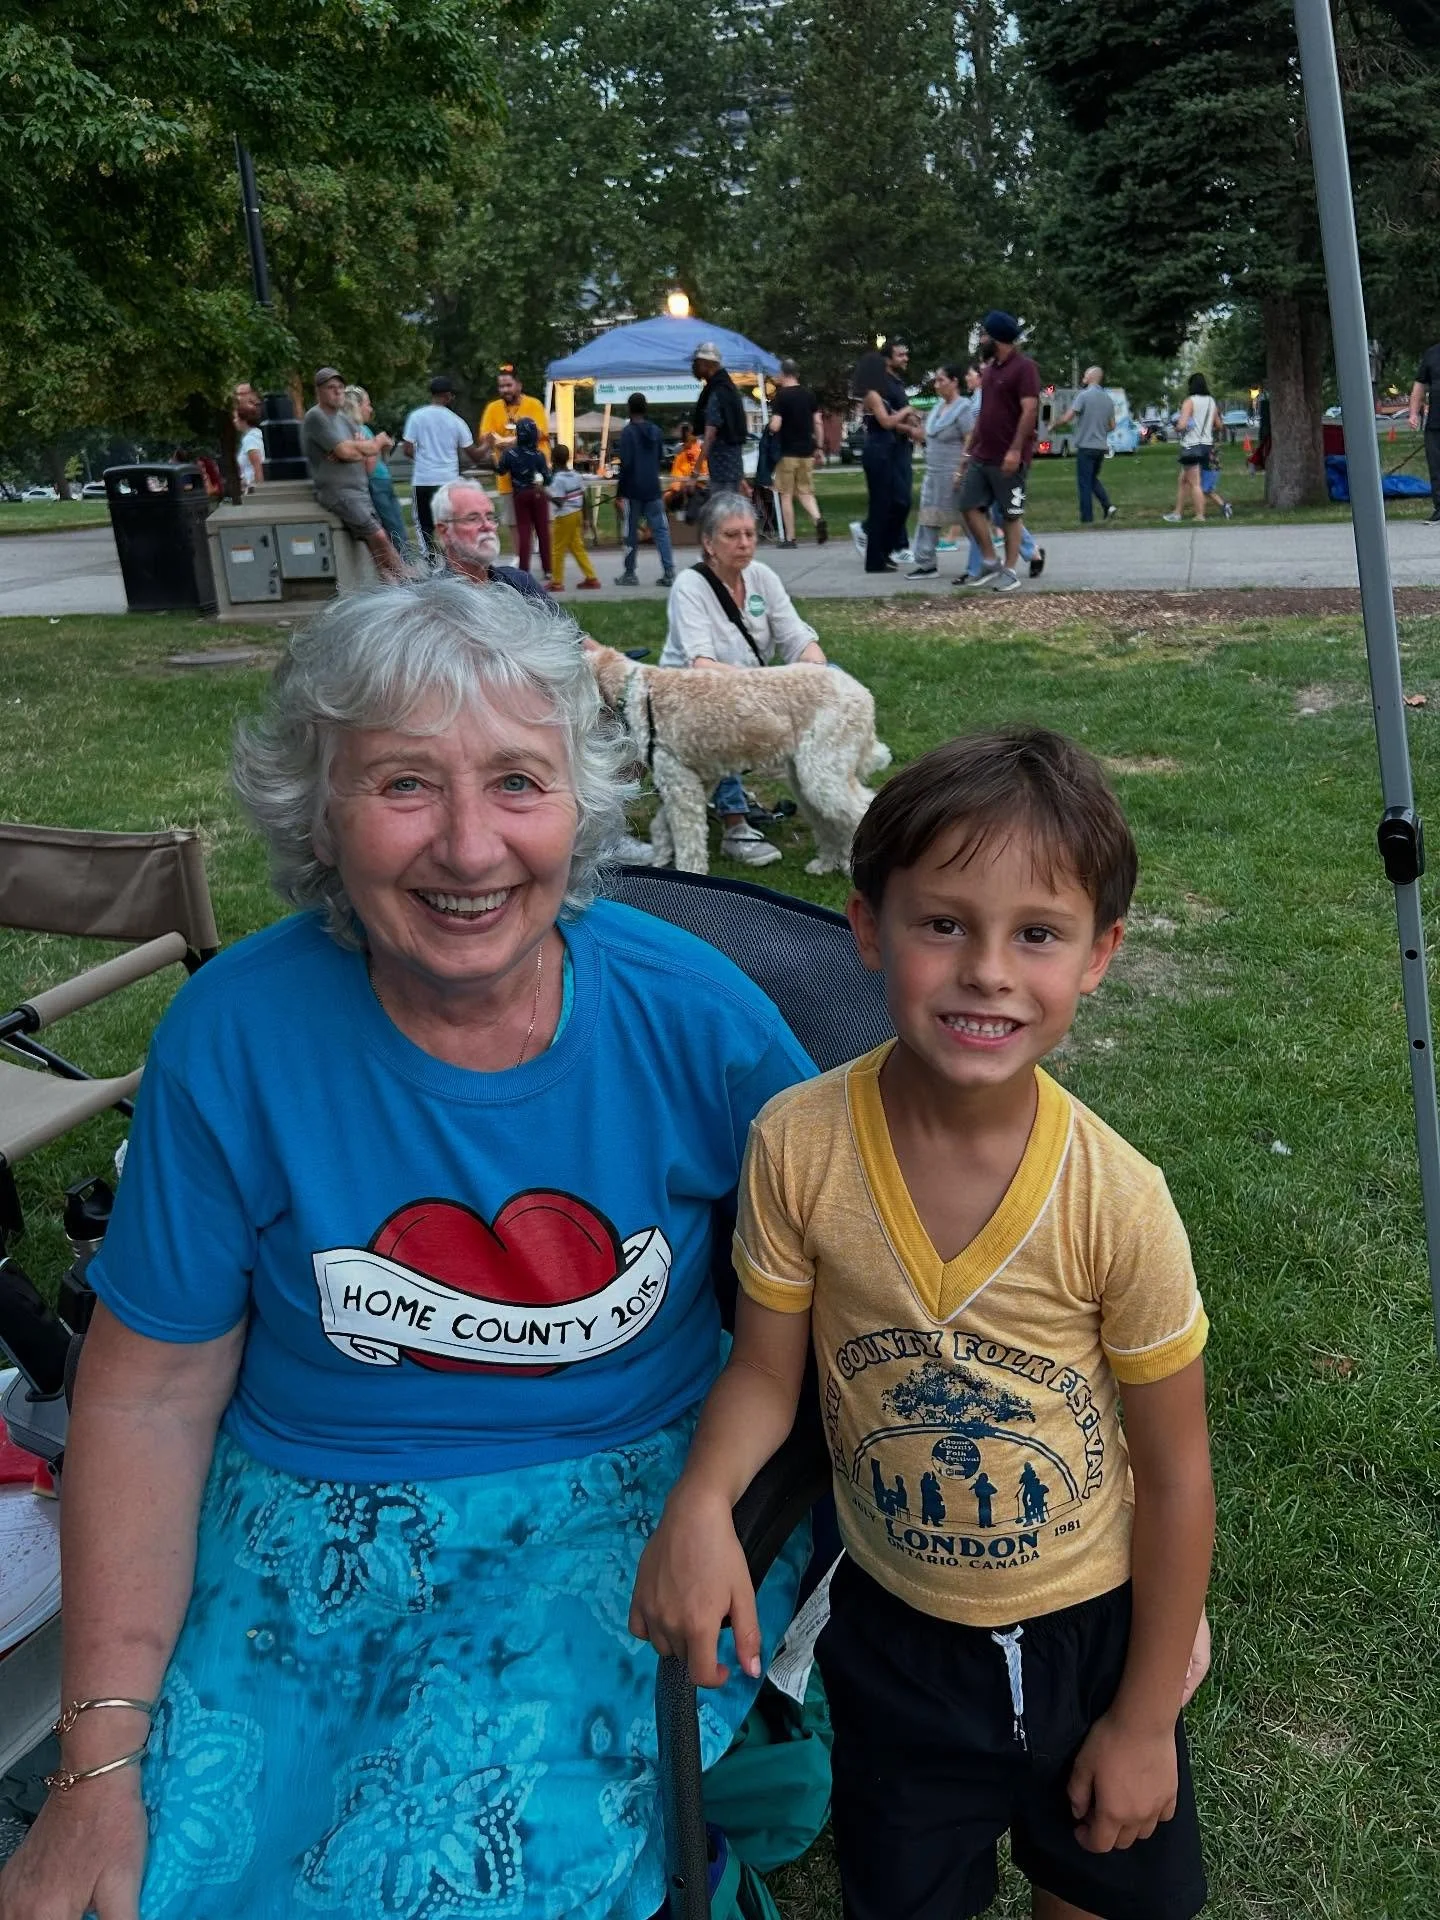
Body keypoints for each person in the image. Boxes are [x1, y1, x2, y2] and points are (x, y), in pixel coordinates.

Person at [0, 578, 815, 1920]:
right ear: (319, 813)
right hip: (303, 1504)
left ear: (580, 803)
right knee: (194, 1860)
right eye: (403, 785)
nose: (469, 847)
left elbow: (871, 1271)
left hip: (627, 1495)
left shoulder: (694, 1015)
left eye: (517, 782)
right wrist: (95, 1766)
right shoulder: (234, 1036)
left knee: (472, 1866)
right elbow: (147, 1399)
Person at [631, 725, 1215, 1920]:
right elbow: (765, 1376)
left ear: (1099, 955)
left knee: (1099, 1878)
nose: (986, 971)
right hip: (893, 1636)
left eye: (1037, 934)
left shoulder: (1118, 1201)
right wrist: (702, 1500)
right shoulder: (796, 1147)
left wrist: (1147, 1713)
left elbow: (1175, 1471)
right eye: (943, 923)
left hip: (1089, 1630)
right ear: (867, 929)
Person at [659, 490, 826, 868]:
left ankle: (829, 803)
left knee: (831, 685)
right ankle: (735, 824)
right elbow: (701, 665)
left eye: (750, 534)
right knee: (723, 716)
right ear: (709, 543)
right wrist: (771, 687)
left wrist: (819, 670)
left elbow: (796, 637)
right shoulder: (689, 586)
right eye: (732, 535)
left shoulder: (762, 577)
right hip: (688, 698)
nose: (745, 543)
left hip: (753, 689)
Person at [957, 311, 1040, 593]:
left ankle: (1010, 570)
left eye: (985, 336)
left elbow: (1029, 410)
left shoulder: (1024, 368)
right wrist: (969, 452)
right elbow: (984, 415)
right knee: (968, 505)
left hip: (1009, 456)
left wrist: (1015, 450)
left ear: (998, 339)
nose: (982, 340)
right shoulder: (991, 371)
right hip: (983, 454)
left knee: (1010, 515)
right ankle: (990, 561)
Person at [300, 366, 406, 581]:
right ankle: (407, 578)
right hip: (339, 493)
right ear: (319, 391)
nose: (338, 391)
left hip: (360, 490)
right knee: (378, 535)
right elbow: (348, 451)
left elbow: (358, 451)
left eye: (340, 387)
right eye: (331, 387)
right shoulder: (316, 417)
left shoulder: (344, 419)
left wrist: (355, 450)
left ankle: (392, 587)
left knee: (375, 544)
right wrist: (372, 444)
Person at [851, 336, 922, 574]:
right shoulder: (871, 394)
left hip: (888, 449)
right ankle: (875, 560)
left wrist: (910, 418)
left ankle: (885, 550)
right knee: (881, 505)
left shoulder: (882, 392)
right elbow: (887, 422)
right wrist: (907, 410)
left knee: (899, 502)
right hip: (877, 450)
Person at [427, 479, 551, 603]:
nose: (487, 526)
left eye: (489, 517)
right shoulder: (432, 601)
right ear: (444, 532)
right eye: (473, 519)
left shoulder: (522, 584)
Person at [400, 375, 480, 557]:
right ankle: (453, 558)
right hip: (448, 480)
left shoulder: (416, 417)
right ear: (448, 396)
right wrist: (488, 445)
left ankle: (430, 559)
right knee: (449, 522)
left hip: (423, 479)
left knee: (424, 524)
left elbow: (407, 449)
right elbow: (473, 454)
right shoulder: (456, 421)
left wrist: (424, 459)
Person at [909, 363, 972, 576]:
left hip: (954, 474)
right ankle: (926, 562)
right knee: (928, 516)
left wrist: (960, 469)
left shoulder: (963, 407)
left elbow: (970, 439)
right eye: (935, 381)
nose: (936, 385)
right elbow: (929, 435)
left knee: (970, 519)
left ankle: (985, 559)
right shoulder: (937, 408)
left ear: (954, 382)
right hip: (933, 473)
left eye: (941, 380)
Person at [478, 364, 551, 547]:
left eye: (508, 385)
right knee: (513, 520)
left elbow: (539, 432)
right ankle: (520, 558)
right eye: (501, 386)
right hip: (508, 475)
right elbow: (485, 436)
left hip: (535, 474)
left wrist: (508, 442)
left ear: (519, 385)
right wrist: (499, 440)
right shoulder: (493, 408)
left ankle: (546, 557)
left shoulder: (534, 404)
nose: (505, 390)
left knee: (542, 518)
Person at [614, 392, 676, 589]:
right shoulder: (656, 431)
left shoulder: (628, 433)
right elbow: (660, 457)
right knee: (661, 531)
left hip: (633, 489)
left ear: (629, 409)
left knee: (630, 532)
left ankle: (630, 572)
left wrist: (619, 492)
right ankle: (669, 571)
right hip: (653, 487)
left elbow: (626, 464)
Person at [343, 383, 410, 560]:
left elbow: (378, 460)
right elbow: (368, 467)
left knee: (396, 526)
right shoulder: (358, 431)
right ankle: (404, 565)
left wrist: (382, 449)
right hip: (377, 484)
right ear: (356, 406)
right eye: (368, 404)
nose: (370, 409)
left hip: (382, 482)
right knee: (394, 528)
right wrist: (377, 445)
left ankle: (404, 562)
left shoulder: (362, 429)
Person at [768, 359, 828, 546]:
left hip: (787, 453)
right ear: (797, 374)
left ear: (782, 374)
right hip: (807, 452)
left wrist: (770, 426)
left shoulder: (781, 396)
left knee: (786, 495)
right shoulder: (809, 395)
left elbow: (776, 425)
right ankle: (818, 519)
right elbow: (818, 422)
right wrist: (819, 447)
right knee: (805, 492)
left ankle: (790, 538)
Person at [497, 417, 554, 583]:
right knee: (543, 531)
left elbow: (501, 471)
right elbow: (547, 479)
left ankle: (524, 569)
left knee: (524, 532)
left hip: (520, 495)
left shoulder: (510, 454)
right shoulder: (539, 455)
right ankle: (548, 569)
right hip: (538, 494)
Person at [1058, 367, 1118, 525]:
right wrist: (1099, 429)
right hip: (1100, 447)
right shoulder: (1107, 399)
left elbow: (1067, 418)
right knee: (1092, 479)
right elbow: (1112, 425)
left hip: (1086, 446)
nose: (1083, 377)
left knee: (1084, 483)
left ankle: (1087, 518)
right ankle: (1108, 506)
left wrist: (1053, 425)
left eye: (1085, 374)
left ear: (1091, 377)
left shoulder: (1083, 396)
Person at [692, 344, 748, 495]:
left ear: (707, 364)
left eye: (698, 363)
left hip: (722, 468)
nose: (695, 368)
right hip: (733, 465)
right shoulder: (730, 389)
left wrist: (695, 472)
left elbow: (710, 435)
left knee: (722, 505)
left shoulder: (717, 393)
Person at [1164, 375, 1220, 524]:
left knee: (1195, 483)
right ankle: (1177, 512)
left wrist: (1177, 427)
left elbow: (1182, 425)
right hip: (1207, 445)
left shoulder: (1190, 401)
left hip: (1192, 446)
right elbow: (1218, 425)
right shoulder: (1211, 402)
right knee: (1183, 480)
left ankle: (1200, 515)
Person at [547, 443, 601, 589]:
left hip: (564, 516)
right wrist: (586, 518)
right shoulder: (576, 475)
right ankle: (591, 577)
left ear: (552, 459)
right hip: (577, 514)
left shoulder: (558, 479)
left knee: (558, 548)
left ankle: (556, 582)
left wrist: (544, 493)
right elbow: (584, 497)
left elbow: (559, 502)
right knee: (577, 546)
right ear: (569, 458)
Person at [1407, 342, 1440, 525]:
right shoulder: (1432, 354)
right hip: (1435, 422)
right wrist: (1413, 413)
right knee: (1436, 466)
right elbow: (1419, 385)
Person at [664, 422, 708, 515]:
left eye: (685, 430)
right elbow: (677, 471)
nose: (685, 434)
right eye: (683, 431)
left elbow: (704, 471)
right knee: (669, 495)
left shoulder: (700, 446)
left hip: (698, 484)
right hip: (683, 484)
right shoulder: (679, 449)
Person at [233, 384, 265, 494]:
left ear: (243, 420)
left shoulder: (250, 439)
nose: (234, 421)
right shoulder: (253, 435)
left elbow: (257, 466)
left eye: (236, 418)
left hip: (253, 490)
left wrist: (260, 492)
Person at [1199, 447, 1234, 520]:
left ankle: (1201, 513)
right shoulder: (1208, 445)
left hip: (1209, 470)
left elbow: (1210, 456)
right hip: (1211, 469)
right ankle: (1224, 506)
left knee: (1204, 491)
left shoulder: (1207, 446)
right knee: (1208, 491)